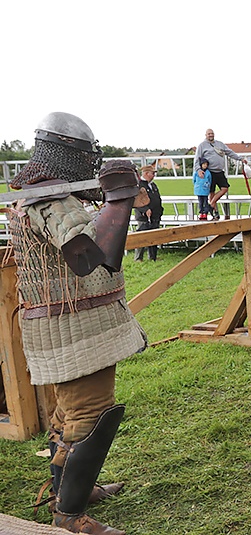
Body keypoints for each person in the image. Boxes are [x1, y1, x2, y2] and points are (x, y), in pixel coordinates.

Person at [8, 112, 147, 534]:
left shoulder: (42, 194)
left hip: (70, 324)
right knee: (89, 415)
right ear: (67, 154)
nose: (91, 164)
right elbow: (90, 260)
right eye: (86, 156)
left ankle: (74, 491)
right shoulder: (50, 200)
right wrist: (120, 200)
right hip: (72, 330)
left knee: (67, 416)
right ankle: (69, 515)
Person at [193, 128, 247, 221]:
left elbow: (229, 152)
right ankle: (215, 213)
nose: (211, 135)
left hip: (219, 171)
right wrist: (198, 169)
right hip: (209, 172)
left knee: (224, 188)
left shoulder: (220, 144)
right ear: (205, 135)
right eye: (209, 134)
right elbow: (197, 159)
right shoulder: (202, 145)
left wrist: (240, 159)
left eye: (212, 133)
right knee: (211, 191)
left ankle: (212, 203)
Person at [134, 165, 163, 262]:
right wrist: (145, 209)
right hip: (144, 216)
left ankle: (153, 256)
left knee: (154, 236)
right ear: (146, 173)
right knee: (142, 237)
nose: (154, 175)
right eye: (152, 173)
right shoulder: (139, 185)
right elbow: (136, 201)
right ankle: (138, 258)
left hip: (155, 215)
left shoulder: (153, 185)